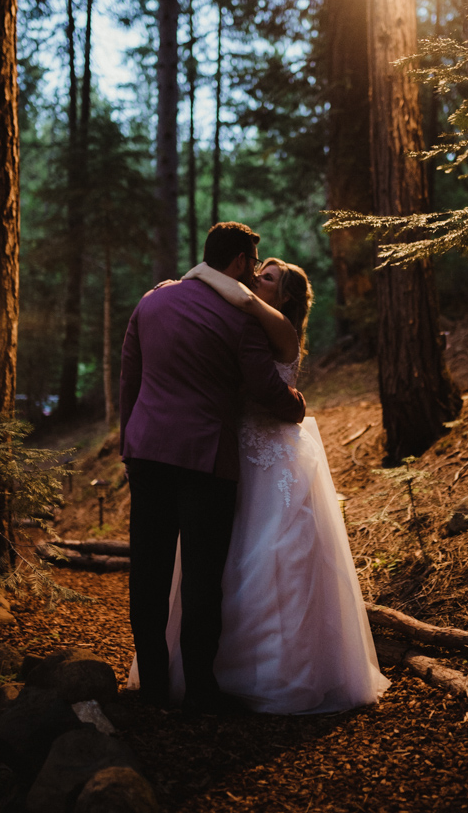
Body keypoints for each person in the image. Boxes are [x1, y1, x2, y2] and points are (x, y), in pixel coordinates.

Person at [154, 257, 390, 714]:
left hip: (272, 452)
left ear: (283, 297)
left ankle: (280, 673)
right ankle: (212, 670)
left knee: (275, 553)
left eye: (267, 277)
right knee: (221, 557)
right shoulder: (242, 320)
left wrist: (198, 272)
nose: (254, 279)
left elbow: (243, 307)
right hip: (233, 449)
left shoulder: (278, 324)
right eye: (258, 272)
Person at [119, 223, 306, 714]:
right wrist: (297, 406)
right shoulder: (240, 319)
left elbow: (130, 380)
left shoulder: (151, 302)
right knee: (202, 578)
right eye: (254, 263)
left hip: (147, 452)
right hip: (205, 459)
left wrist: (128, 444)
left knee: (149, 573)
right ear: (242, 262)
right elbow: (265, 389)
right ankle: (200, 689)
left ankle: (154, 688)